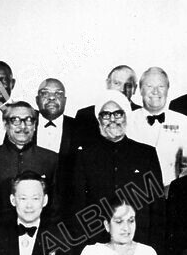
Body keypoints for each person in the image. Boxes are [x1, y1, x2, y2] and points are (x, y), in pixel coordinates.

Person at [68, 101, 163, 247]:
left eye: (118, 114)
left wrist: (155, 247)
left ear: (126, 118)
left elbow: (157, 206)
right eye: (106, 115)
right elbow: (78, 204)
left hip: (139, 238)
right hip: (97, 240)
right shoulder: (85, 155)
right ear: (99, 120)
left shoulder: (146, 154)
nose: (112, 120)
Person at [0, 102, 58, 229]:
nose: (22, 126)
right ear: (5, 124)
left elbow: (56, 208)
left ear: (35, 125)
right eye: (15, 120)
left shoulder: (51, 159)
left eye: (29, 120)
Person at [127, 67, 187, 186]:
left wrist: (177, 190)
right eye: (149, 86)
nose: (155, 91)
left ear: (168, 89)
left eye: (161, 86)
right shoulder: (127, 120)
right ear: (140, 89)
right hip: (135, 192)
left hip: (171, 192)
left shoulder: (184, 122)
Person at [74, 65, 139, 148]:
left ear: (135, 88)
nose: (122, 89)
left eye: (128, 85)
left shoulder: (143, 115)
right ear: (107, 84)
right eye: (117, 83)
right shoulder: (85, 115)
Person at [33, 78, 76, 157]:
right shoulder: (24, 124)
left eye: (58, 94)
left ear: (65, 100)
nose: (52, 97)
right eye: (45, 93)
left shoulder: (78, 127)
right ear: (37, 100)